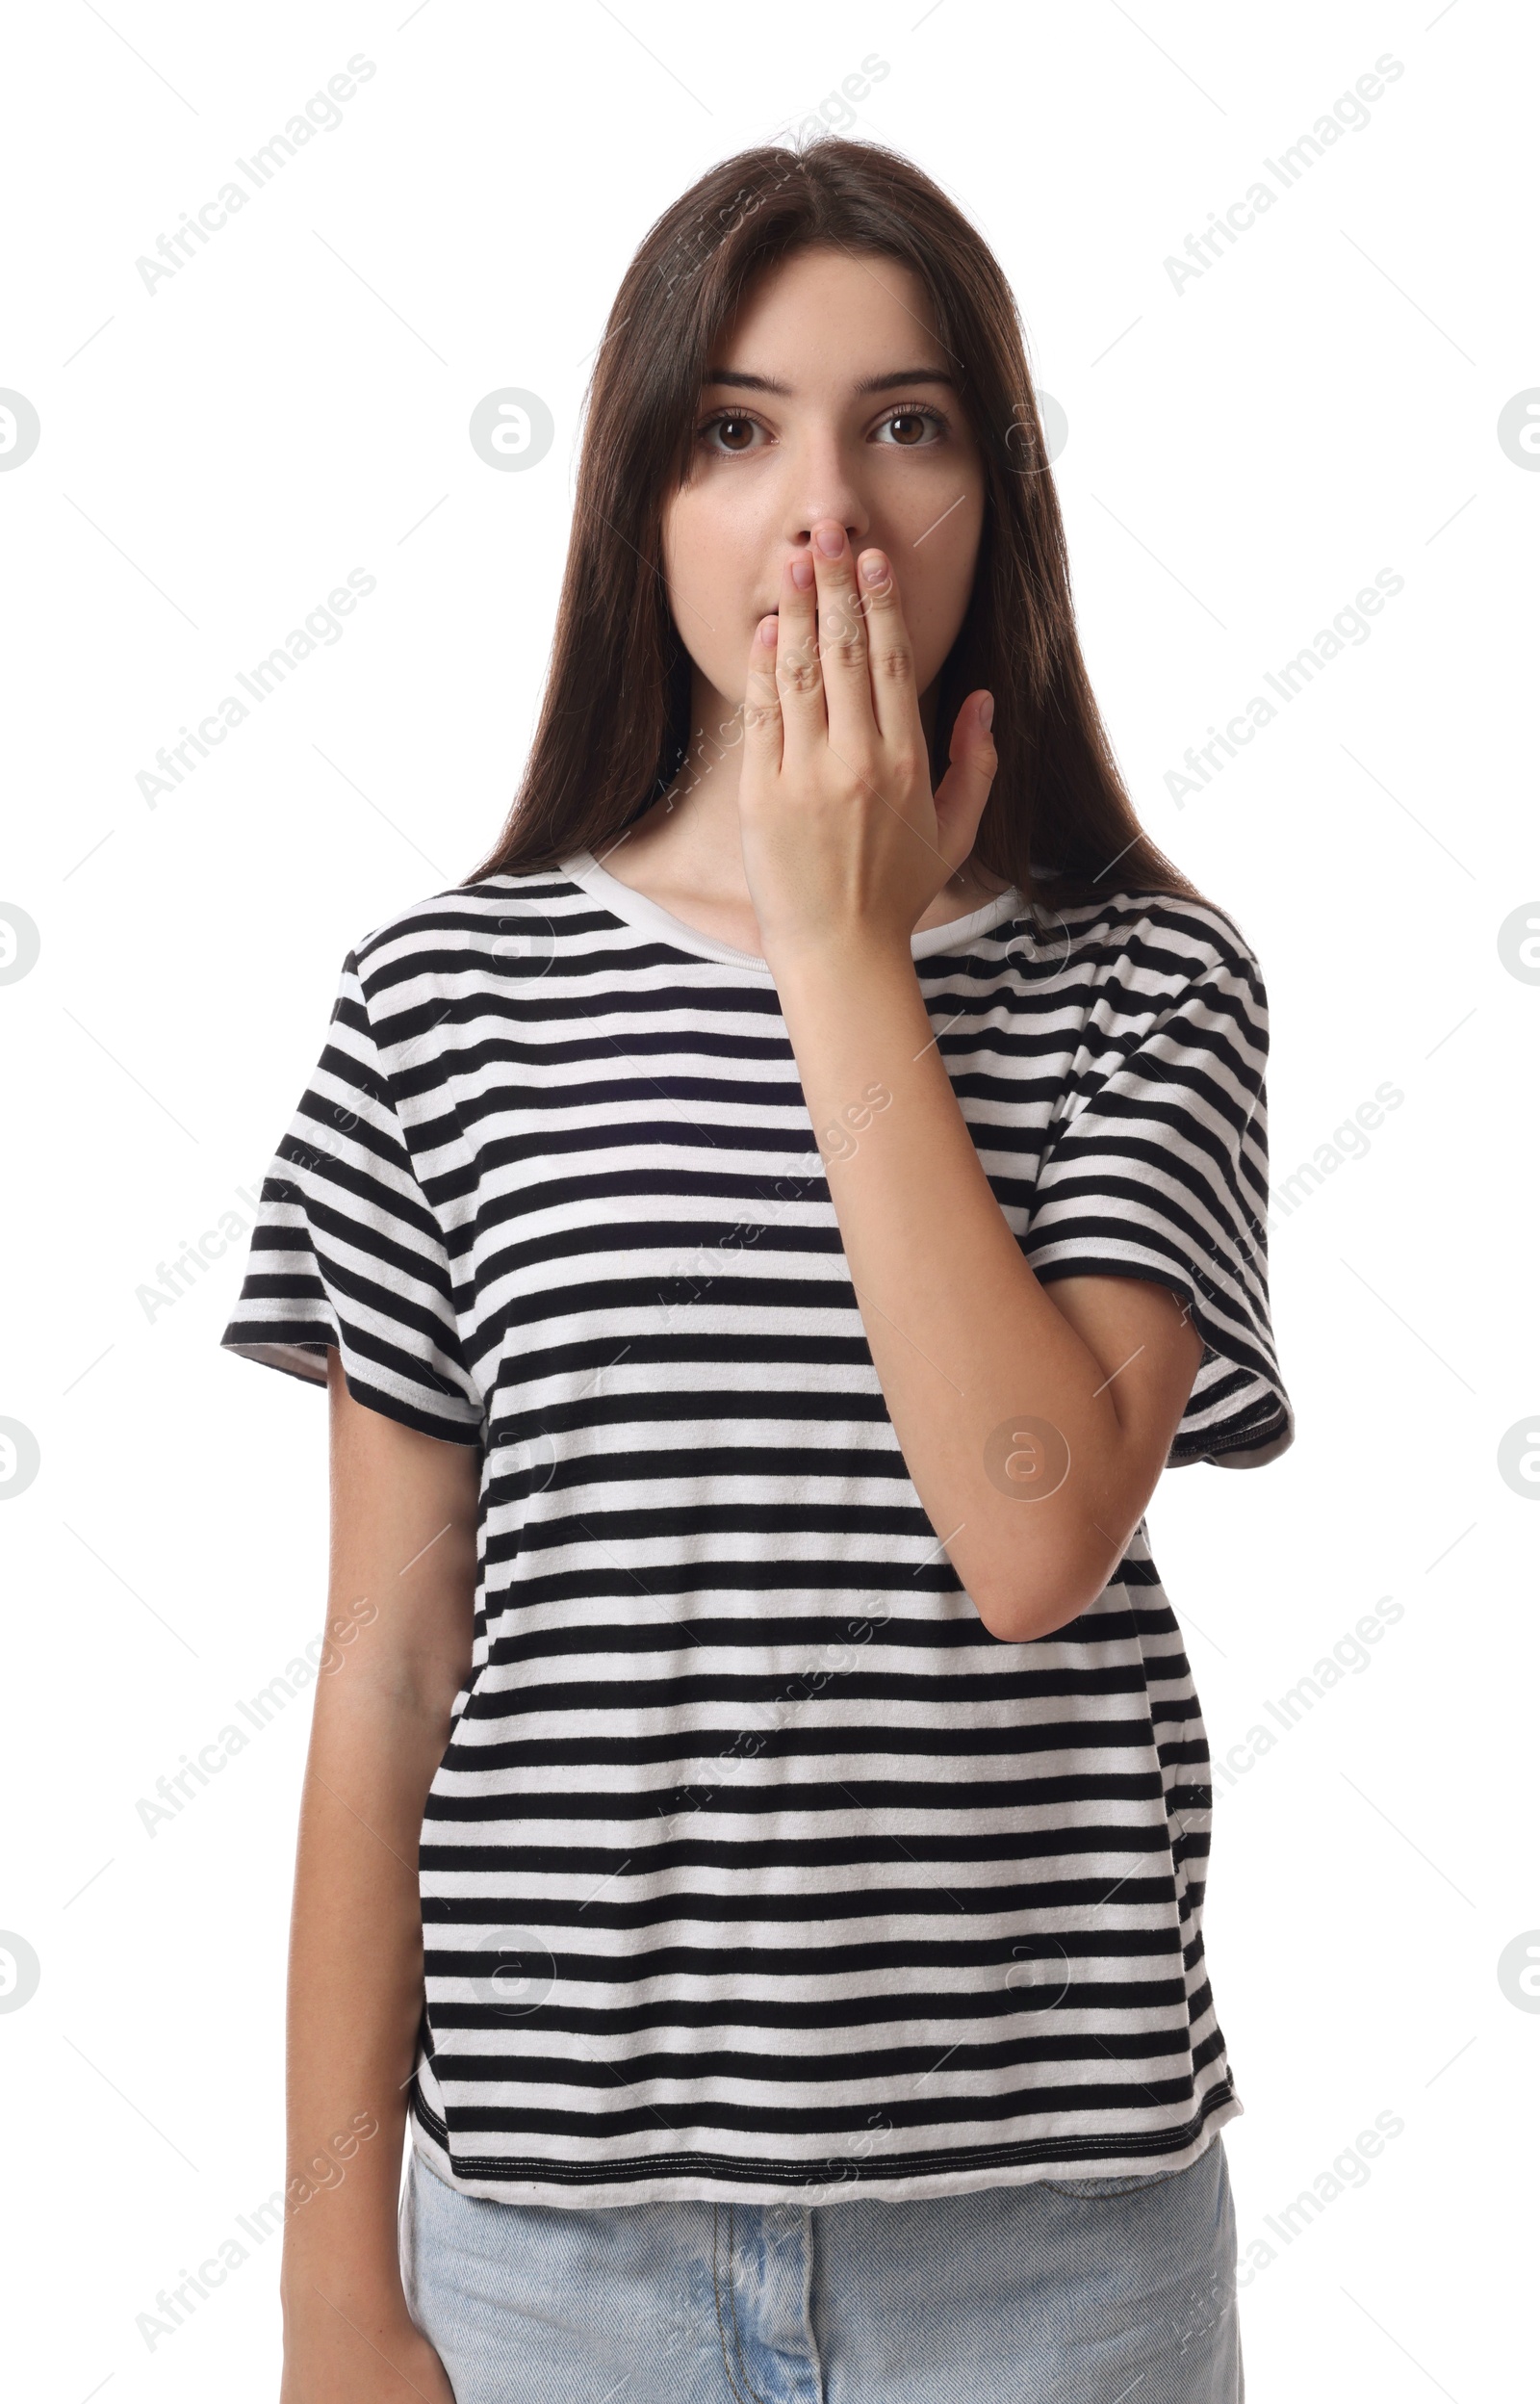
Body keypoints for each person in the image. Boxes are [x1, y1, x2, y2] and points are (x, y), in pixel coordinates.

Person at [221, 136, 1292, 2404]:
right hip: (544, 2264)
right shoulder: (439, 1008)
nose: (824, 509)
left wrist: (838, 952)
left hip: (1051, 2264)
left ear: (988, 492)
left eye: (899, 424)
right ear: (639, 502)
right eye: (734, 430)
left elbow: (1028, 1532)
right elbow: (391, 1665)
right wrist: (334, 2288)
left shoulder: (1147, 988)